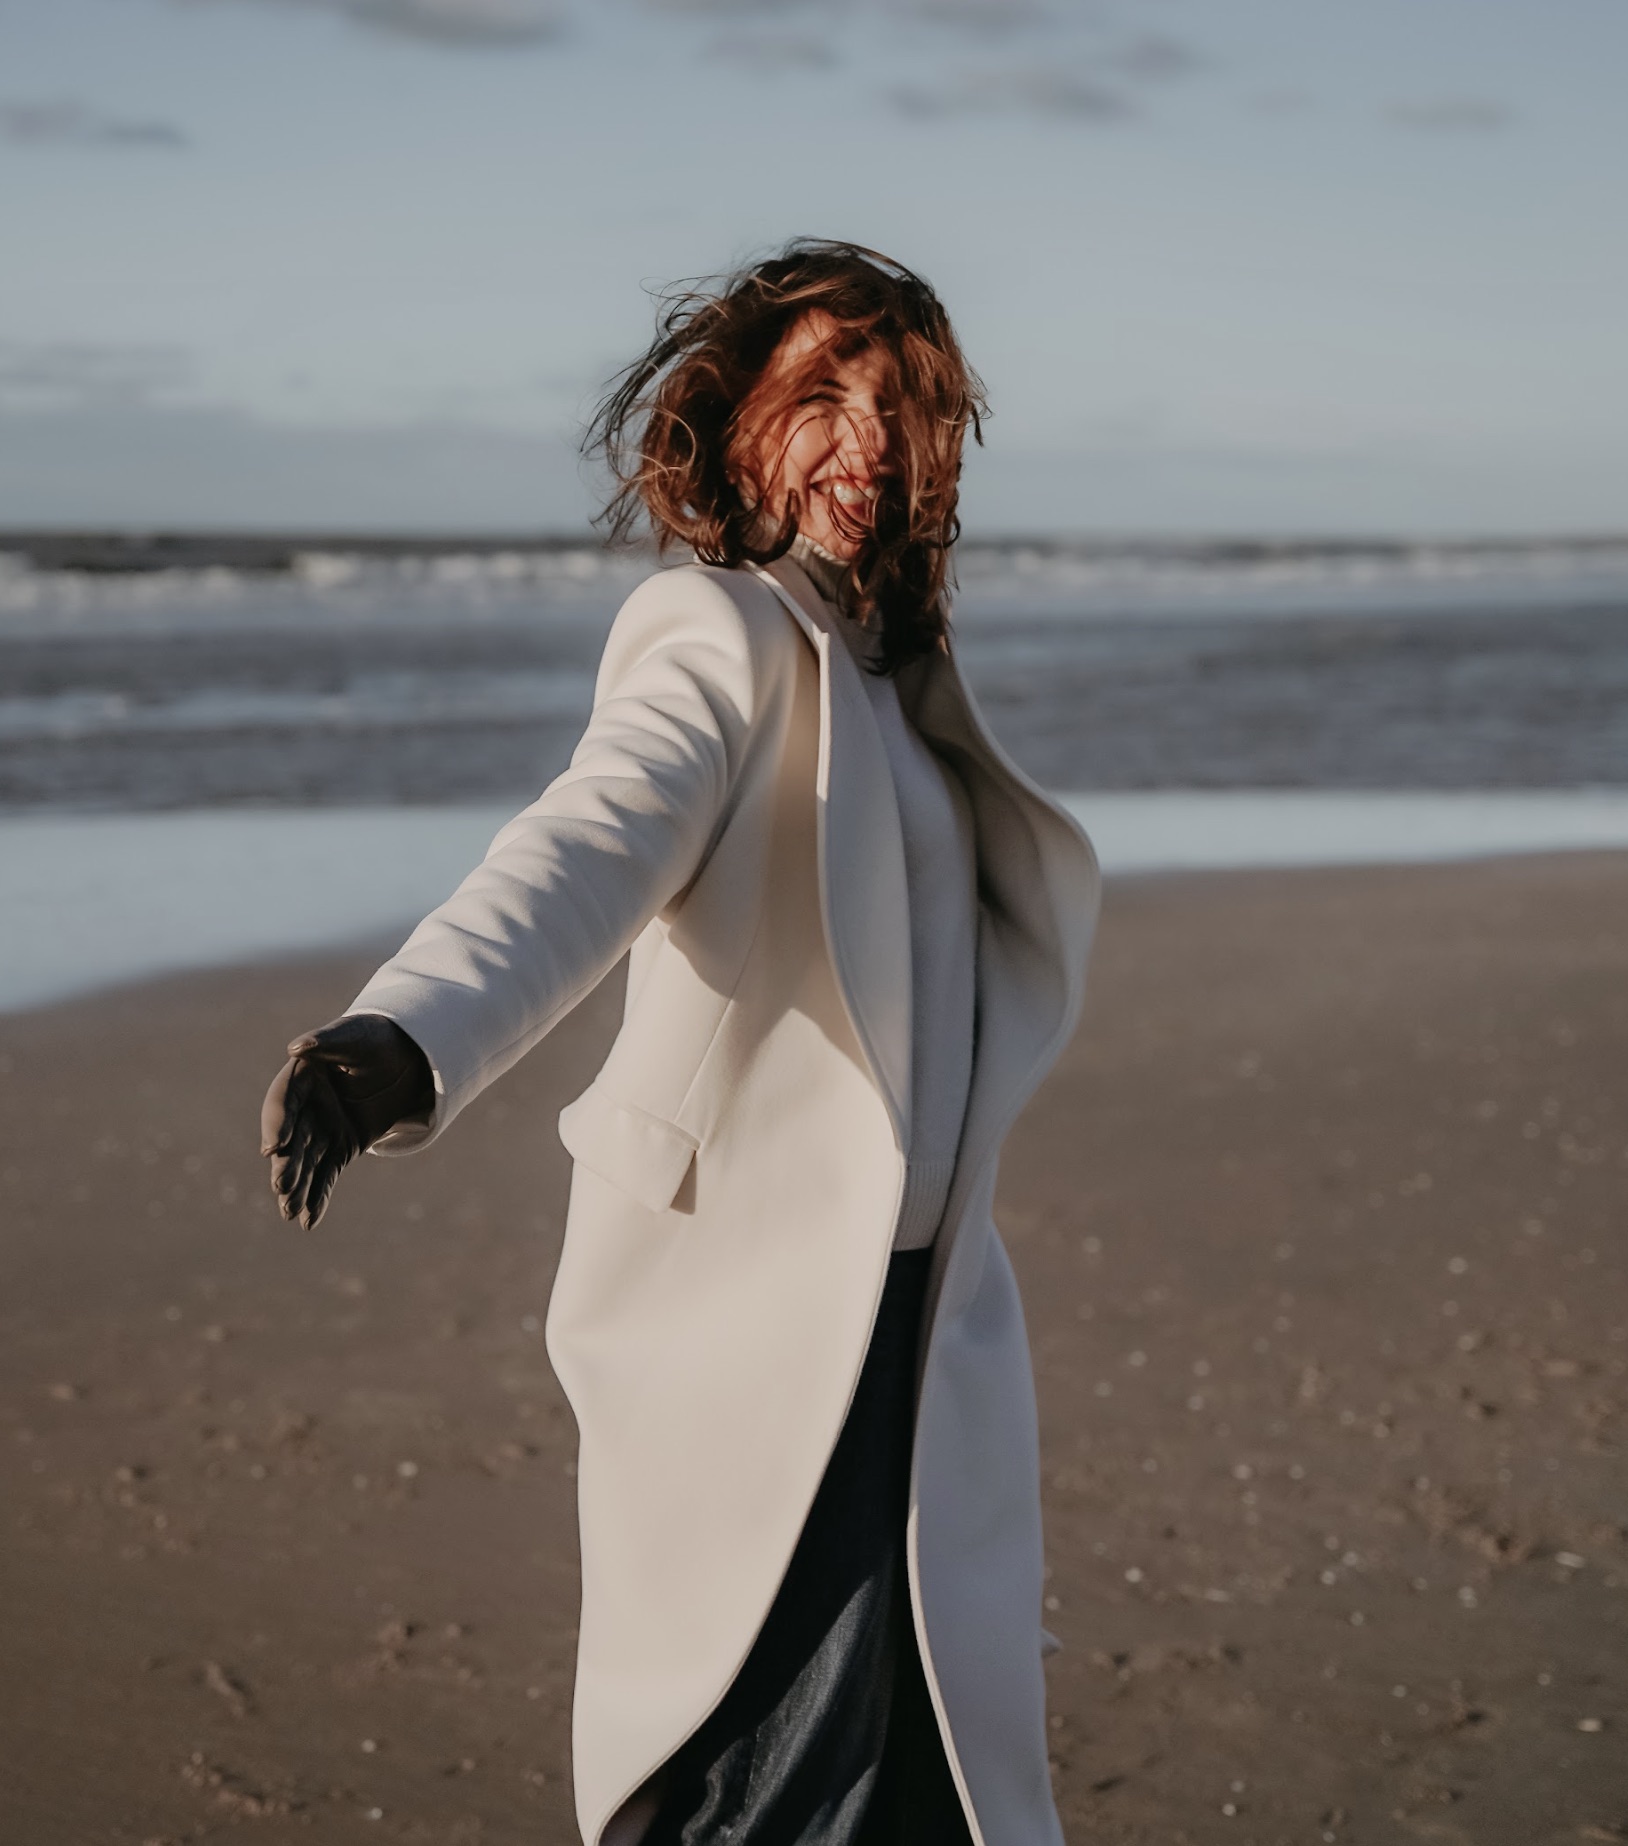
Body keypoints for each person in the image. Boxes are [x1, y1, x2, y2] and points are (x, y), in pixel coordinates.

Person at [260, 239, 1101, 1846]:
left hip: (921, 1322)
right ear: (730, 426)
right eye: (823, 393)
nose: (867, 439)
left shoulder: (892, 675)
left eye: (904, 408)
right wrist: (403, 1038)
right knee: (753, 1768)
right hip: (760, 1305)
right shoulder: (713, 637)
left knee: (922, 1762)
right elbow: (582, 849)